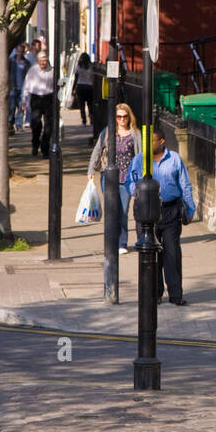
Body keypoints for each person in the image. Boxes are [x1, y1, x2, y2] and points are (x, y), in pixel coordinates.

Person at [126, 129, 196, 305]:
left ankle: (176, 295)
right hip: (147, 211)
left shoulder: (174, 159)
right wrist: (138, 190)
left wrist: (190, 209)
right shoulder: (139, 160)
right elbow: (129, 182)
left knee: (172, 254)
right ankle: (155, 294)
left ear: (162, 141)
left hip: (170, 211)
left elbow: (185, 184)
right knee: (150, 254)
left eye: (153, 141)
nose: (149, 146)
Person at [87, 103, 141, 252]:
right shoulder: (107, 132)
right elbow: (97, 151)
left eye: (124, 116)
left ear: (129, 117)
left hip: (127, 177)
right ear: (115, 118)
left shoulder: (135, 134)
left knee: (123, 211)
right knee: (111, 210)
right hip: (108, 176)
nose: (122, 119)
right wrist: (91, 170)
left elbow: (140, 156)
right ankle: (111, 242)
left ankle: (122, 243)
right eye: (119, 116)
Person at [22, 50, 55, 157]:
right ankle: (35, 144)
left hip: (48, 98)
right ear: (38, 61)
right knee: (36, 124)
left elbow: (57, 85)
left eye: (44, 61)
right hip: (36, 98)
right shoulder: (33, 70)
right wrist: (24, 99)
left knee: (49, 125)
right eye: (41, 61)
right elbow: (26, 85)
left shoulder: (52, 71)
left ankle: (45, 148)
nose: (43, 63)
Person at [8, 43, 31, 133]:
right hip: (12, 87)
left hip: (22, 88)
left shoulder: (26, 63)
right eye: (18, 51)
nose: (20, 53)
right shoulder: (11, 61)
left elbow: (29, 75)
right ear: (16, 51)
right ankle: (10, 123)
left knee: (21, 107)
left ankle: (18, 124)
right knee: (12, 107)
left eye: (21, 51)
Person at [73, 52, 95, 125]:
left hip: (80, 86)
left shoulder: (78, 66)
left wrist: (73, 89)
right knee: (90, 104)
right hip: (89, 87)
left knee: (81, 105)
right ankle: (91, 117)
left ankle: (84, 119)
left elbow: (75, 79)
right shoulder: (91, 66)